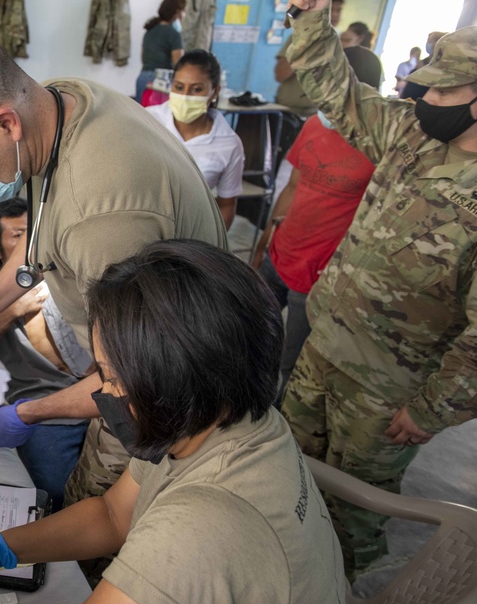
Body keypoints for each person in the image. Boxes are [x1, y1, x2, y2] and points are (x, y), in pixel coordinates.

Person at [0, 241, 353, 604]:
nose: (102, 393)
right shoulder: (217, 415)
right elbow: (112, 516)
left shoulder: (204, 529)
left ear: (167, 386)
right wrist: (1, 547)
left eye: (109, 377)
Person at [0, 34, 226, 544]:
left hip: (173, 385)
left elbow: (136, 384)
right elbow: (42, 235)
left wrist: (29, 411)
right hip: (134, 346)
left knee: (101, 524)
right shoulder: (57, 104)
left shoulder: (104, 220)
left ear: (4, 124)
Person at [283, 1, 477, 578]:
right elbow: (335, 90)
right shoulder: (409, 135)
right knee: (285, 479)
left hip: (388, 394)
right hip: (323, 351)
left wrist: (428, 411)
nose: (426, 101)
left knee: (349, 515)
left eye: (444, 93)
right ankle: (277, 592)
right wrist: (312, 17)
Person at [256, 46, 382, 403]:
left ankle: (278, 430)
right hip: (281, 253)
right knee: (248, 336)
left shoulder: (379, 147)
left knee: (290, 364)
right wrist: (266, 238)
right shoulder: (314, 124)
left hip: (319, 275)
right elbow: (294, 186)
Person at [0, 199, 92, 511]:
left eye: (34, 233)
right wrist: (10, 309)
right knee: (53, 492)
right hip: (41, 412)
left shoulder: (68, 282)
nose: (29, 244)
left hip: (95, 397)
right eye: (18, 235)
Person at [146, 50, 243, 229]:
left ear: (214, 92)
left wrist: (213, 246)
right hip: (144, 227)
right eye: (179, 87)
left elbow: (227, 204)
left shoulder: (228, 143)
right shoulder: (148, 121)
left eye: (197, 89)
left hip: (191, 234)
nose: (185, 96)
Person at [275, 0, 343, 116]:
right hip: (288, 111)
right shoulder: (297, 38)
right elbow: (280, 75)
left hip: (319, 115)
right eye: (331, 10)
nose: (335, 14)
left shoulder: (340, 42)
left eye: (339, 10)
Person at [136, 0, 185, 105]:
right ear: (177, 12)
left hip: (142, 78)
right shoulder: (173, 34)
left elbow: (143, 57)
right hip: (160, 83)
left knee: (142, 117)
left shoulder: (150, 30)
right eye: (183, 11)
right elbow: (179, 65)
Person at [400, 32, 449, 101]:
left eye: (430, 41)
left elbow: (428, 79)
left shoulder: (443, 66)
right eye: (427, 41)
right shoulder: (424, 61)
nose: (428, 44)